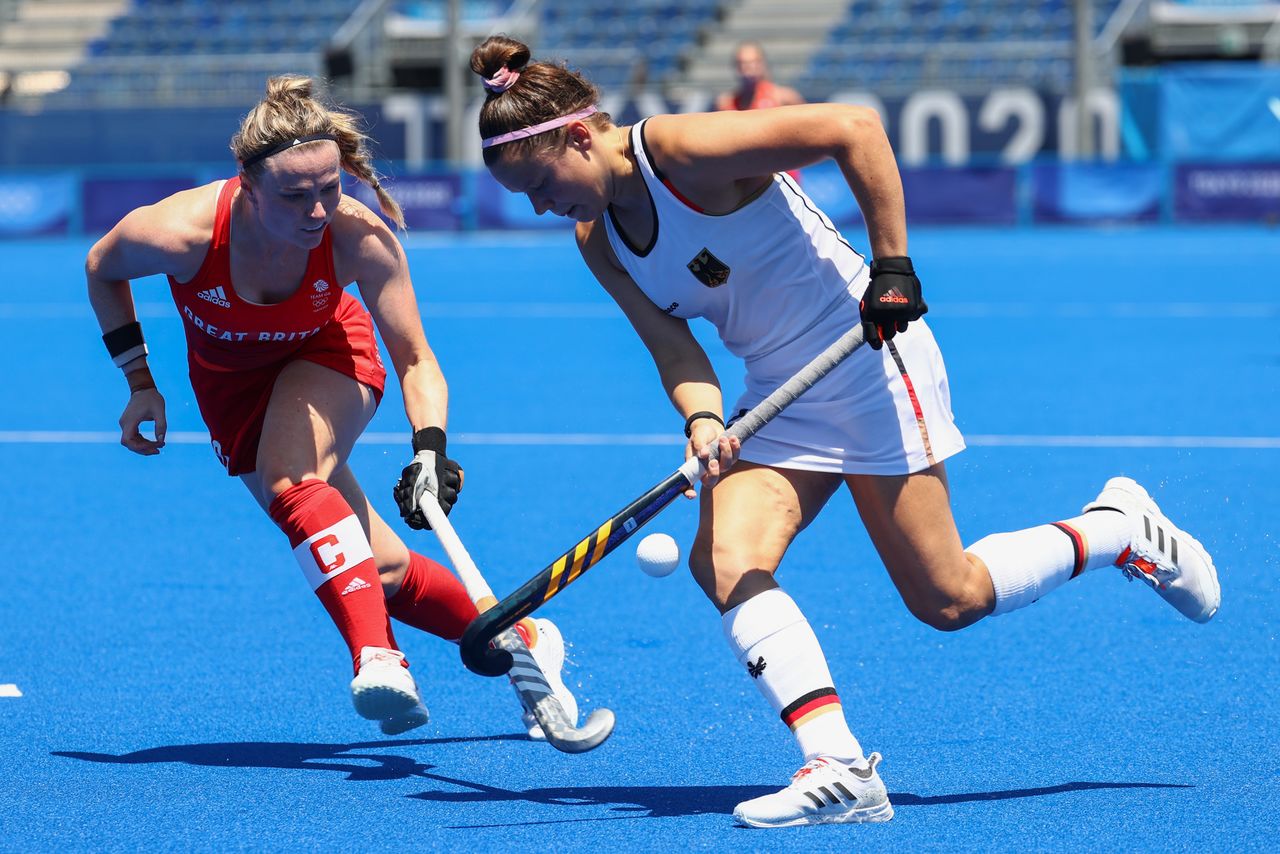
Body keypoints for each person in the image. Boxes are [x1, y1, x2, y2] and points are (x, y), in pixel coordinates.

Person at [468, 37, 1221, 829]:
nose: (541, 207)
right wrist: (703, 419)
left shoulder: (682, 151)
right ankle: (839, 766)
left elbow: (853, 128)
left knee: (948, 599)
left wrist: (893, 267)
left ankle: (1116, 530)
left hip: (866, 354)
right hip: (778, 390)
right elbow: (676, 350)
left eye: (541, 184)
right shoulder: (597, 240)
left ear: (579, 137)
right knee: (723, 559)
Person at [86, 75, 575, 737]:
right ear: (247, 184)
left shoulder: (357, 237)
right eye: (294, 196)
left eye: (329, 188)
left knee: (292, 478)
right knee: (381, 569)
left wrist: (430, 449)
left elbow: (416, 359)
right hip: (232, 391)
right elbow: (102, 268)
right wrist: (139, 380)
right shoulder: (180, 233)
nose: (316, 212)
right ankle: (525, 642)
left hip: (331, 354)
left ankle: (378, 657)